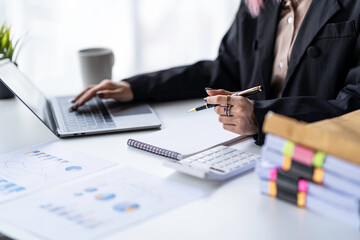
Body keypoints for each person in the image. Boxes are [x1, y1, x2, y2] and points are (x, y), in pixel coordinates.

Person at [72, 0, 360, 145]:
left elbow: (353, 103)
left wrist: (263, 118)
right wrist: (135, 87)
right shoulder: (259, 4)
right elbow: (224, 69)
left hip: (318, 161)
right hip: (249, 158)